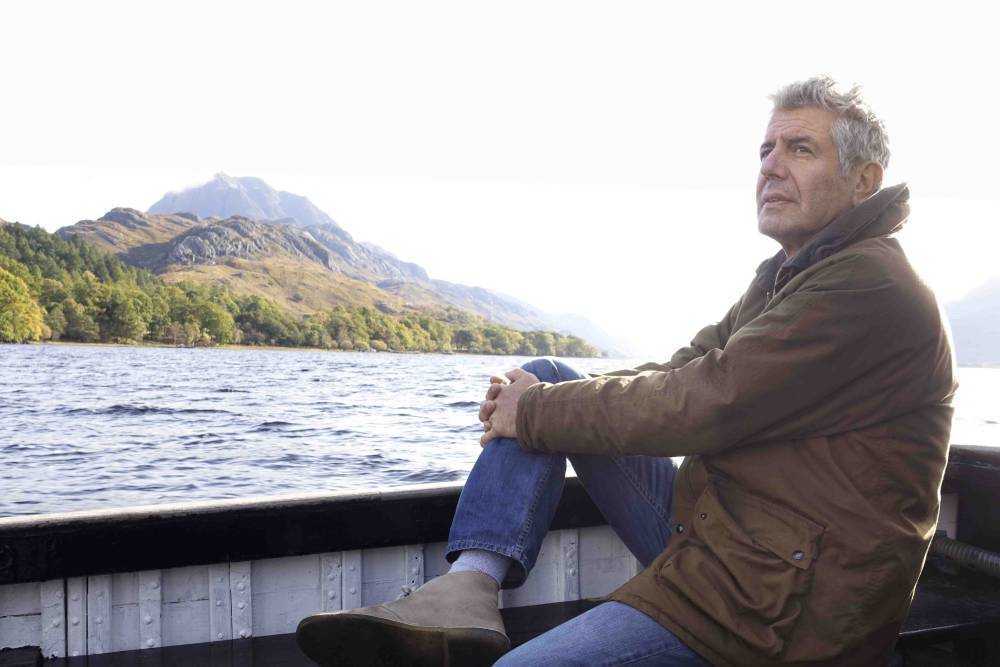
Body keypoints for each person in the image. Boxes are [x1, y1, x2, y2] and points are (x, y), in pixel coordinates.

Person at [296, 76, 956, 665]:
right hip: (734, 545)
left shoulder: (869, 285)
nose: (771, 168)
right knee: (549, 374)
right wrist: (540, 400)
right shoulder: (787, 277)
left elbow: (707, 400)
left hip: (781, 610)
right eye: (766, 150)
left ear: (864, 179)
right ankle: (468, 587)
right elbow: (680, 369)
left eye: (800, 150)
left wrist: (532, 413)